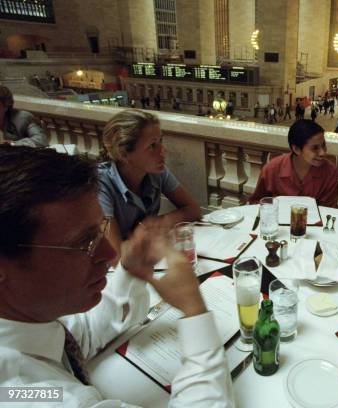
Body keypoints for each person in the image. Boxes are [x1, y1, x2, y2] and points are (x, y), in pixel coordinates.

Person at [0, 145, 234, 406]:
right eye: (84, 242)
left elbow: (79, 335)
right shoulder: (23, 394)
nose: (110, 252)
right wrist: (194, 310)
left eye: (100, 231)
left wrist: (129, 271)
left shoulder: (27, 320)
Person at [97, 110, 201, 263]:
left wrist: (158, 223)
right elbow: (115, 256)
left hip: (145, 260)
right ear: (123, 154)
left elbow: (193, 210)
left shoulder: (157, 171)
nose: (163, 151)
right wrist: (147, 234)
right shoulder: (101, 183)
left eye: (161, 141)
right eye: (152, 146)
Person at [249, 119, 338, 207]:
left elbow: (328, 212)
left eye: (323, 145)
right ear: (296, 149)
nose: (323, 153)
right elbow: (257, 203)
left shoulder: (330, 172)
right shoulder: (272, 169)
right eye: (315, 148)